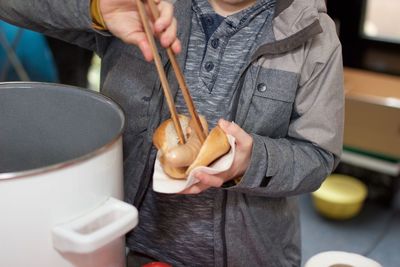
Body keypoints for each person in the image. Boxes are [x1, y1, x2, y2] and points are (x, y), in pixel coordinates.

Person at [0, 0, 344, 266]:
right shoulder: (147, 7)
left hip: (247, 255)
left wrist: (250, 162)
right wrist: (96, 8)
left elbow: (318, 154)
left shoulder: (313, 32)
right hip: (121, 244)